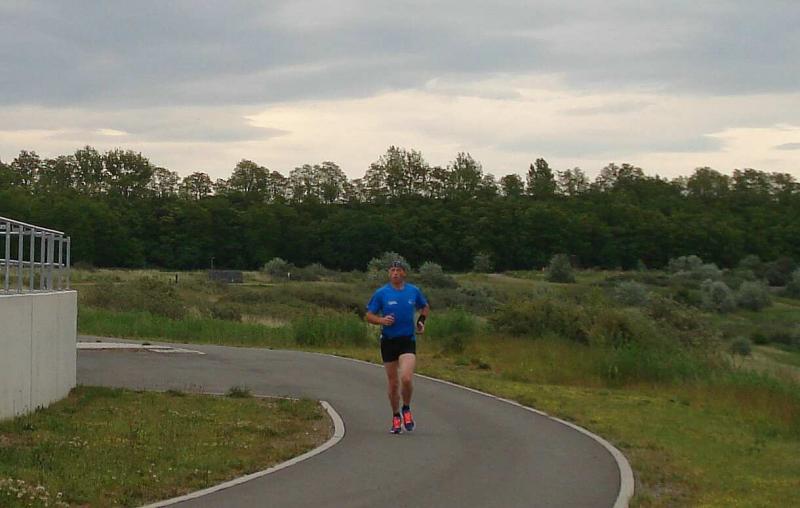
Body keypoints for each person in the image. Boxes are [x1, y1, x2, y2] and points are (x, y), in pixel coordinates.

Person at [365, 260, 430, 434]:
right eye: (392, 270)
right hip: (388, 341)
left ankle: (406, 408)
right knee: (393, 384)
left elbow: (424, 307)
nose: (395, 273)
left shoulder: (413, 291)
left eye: (398, 270)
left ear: (404, 273)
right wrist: (381, 320)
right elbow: (369, 315)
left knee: (406, 378)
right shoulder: (382, 293)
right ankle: (395, 416)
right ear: (389, 273)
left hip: (407, 340)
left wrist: (421, 321)